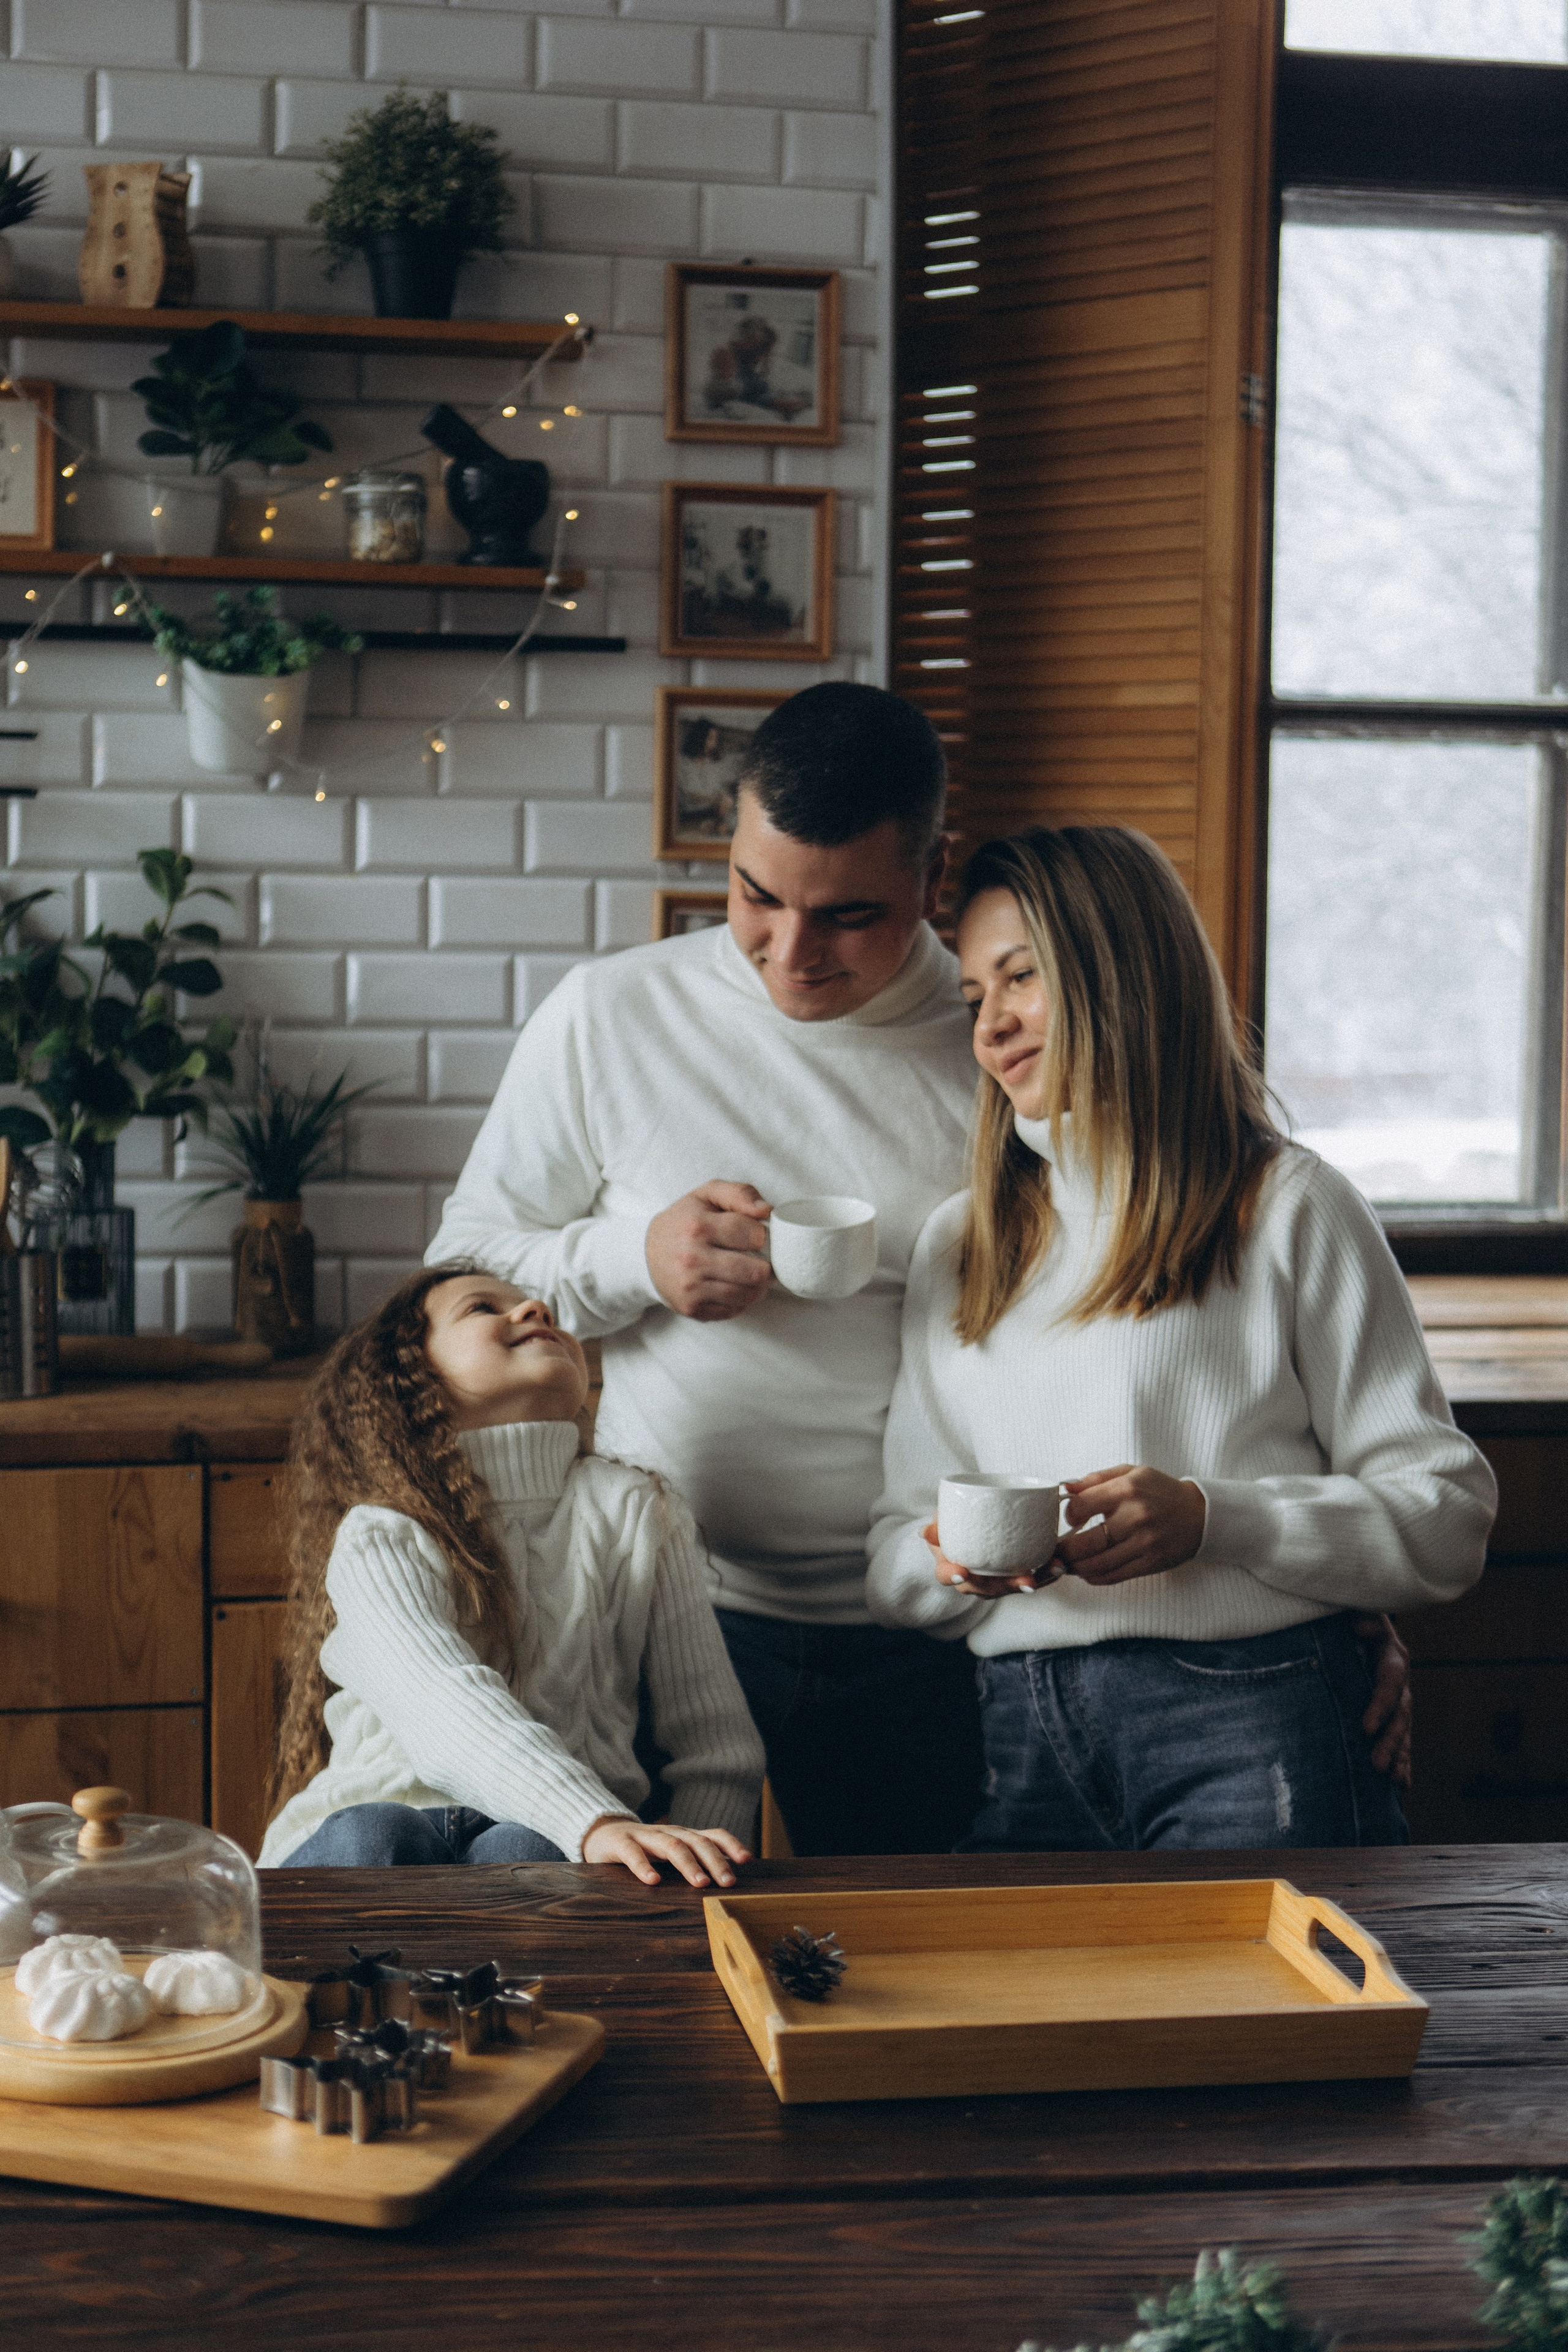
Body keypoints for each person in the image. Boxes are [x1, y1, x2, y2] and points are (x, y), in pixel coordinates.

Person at [430, 684, 1413, 1854]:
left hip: (939, 1645)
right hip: (663, 1611)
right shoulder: (609, 1015)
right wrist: (630, 1258)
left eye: (848, 914)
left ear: (934, 874)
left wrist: (1328, 1606)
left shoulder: (1012, 1047)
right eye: (756, 896)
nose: (791, 953)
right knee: (656, 1967)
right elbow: (453, 1276)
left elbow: (1188, 1336)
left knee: (911, 1993)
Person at [867, 825, 1492, 1850]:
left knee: (1269, 2020)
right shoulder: (961, 1245)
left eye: (1020, 979)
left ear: (1118, 970)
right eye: (977, 1000)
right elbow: (891, 1551)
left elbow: (1445, 1518)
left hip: (1257, 1720)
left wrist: (1215, 1519)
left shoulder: (1288, 1207)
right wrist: (948, 1565)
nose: (992, 1029)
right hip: (1017, 1730)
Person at [259, 1262, 763, 1887]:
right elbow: (443, 1704)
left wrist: (688, 1886)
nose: (534, 1312)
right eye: (481, 1309)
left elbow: (718, 1751)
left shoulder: (641, 1513)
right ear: (410, 1378)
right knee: (376, 1833)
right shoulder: (383, 1533)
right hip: (372, 1843)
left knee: (525, 1849)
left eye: (540, 1305)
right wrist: (593, 1819)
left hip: (560, 1844)